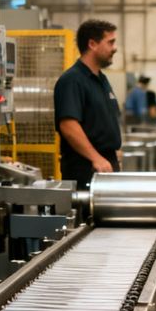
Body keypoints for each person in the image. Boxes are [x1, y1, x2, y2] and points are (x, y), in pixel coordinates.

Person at [54, 19, 122, 189]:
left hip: (105, 165)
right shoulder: (72, 80)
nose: (115, 48)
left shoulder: (101, 79)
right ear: (92, 44)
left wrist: (115, 152)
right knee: (88, 215)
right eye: (110, 42)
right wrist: (95, 158)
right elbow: (68, 125)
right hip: (86, 168)